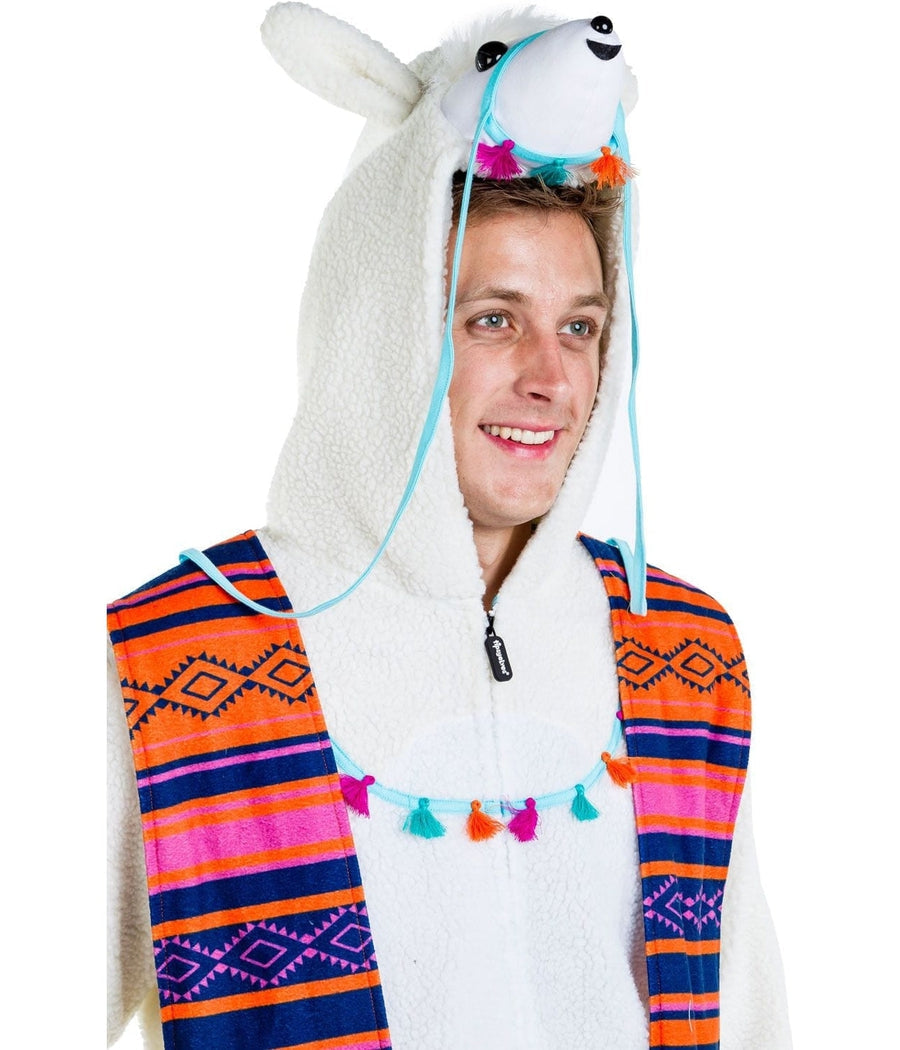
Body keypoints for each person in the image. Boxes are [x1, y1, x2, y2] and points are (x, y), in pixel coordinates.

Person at [107, 7, 791, 1049]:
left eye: (580, 325)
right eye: (493, 319)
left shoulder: (683, 654)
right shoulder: (176, 658)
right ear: (383, 333)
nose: (551, 376)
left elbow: (750, 1020)